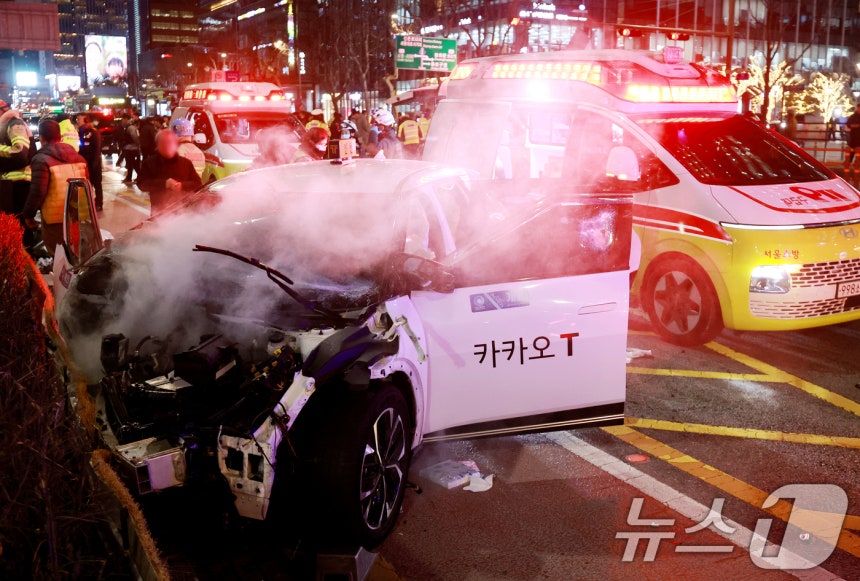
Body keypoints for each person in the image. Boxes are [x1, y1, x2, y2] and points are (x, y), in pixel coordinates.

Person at [20, 119, 88, 256]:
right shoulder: (79, 158)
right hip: (78, 216)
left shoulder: (41, 159)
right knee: (77, 255)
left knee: (58, 256)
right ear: (60, 136)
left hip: (54, 219)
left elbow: (38, 191)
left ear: (41, 137)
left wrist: (28, 214)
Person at [138, 130, 202, 215]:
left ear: (176, 145)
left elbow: (197, 184)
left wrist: (182, 185)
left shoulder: (185, 163)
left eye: (170, 142)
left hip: (183, 213)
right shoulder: (149, 163)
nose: (167, 146)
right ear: (158, 145)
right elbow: (141, 184)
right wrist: (164, 184)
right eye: (163, 143)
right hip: (159, 213)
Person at [0, 101, 37, 243]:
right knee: (13, 226)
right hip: (10, 184)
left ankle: (27, 260)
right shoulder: (5, 125)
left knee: (20, 227)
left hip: (19, 184)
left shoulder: (15, 124)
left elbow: (20, 153)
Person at [77, 114, 103, 210]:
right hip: (84, 164)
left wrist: (95, 163)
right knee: (87, 185)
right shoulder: (79, 132)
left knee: (97, 184)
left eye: (79, 119)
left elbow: (97, 149)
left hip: (93, 163)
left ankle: (99, 203)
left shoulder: (93, 132)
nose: (77, 121)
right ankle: (89, 203)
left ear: (86, 121)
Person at [844, 105, 860, 185]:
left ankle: (856, 177)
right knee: (849, 157)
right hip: (854, 139)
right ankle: (848, 176)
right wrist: (856, 126)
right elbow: (848, 125)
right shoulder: (853, 117)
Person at [122, 117, 141, 183]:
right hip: (130, 148)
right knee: (131, 164)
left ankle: (140, 176)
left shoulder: (131, 128)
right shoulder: (131, 128)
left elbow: (135, 137)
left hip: (132, 148)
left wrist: (138, 144)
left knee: (133, 164)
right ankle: (129, 177)